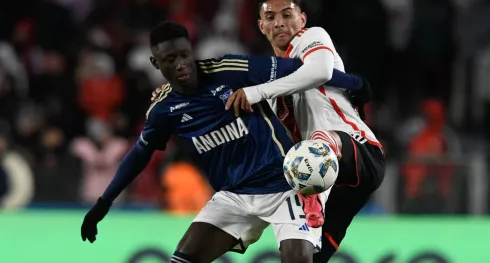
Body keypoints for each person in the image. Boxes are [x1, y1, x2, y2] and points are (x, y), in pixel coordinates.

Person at [80, 21, 367, 263]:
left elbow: (300, 69)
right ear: (156, 63)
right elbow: (140, 153)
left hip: (284, 187)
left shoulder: (230, 70)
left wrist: (355, 84)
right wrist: (104, 203)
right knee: (183, 258)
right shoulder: (163, 110)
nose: (181, 65)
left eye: (184, 55)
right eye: (170, 60)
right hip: (234, 197)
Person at [226, 0, 386, 261]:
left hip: (357, 152)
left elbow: (321, 71)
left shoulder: (310, 38)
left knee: (315, 147)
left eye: (287, 15)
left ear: (302, 18)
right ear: (261, 25)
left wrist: (257, 93)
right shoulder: (270, 80)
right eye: (271, 17)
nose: (280, 22)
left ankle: (311, 192)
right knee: (307, 256)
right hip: (335, 188)